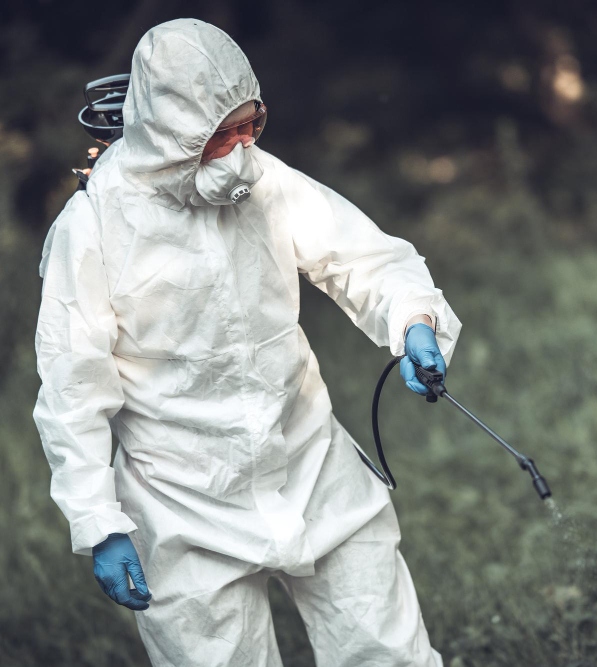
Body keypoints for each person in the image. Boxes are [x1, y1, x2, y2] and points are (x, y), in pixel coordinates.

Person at [33, 18, 461, 667]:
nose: (240, 151)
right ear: (173, 133)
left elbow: (362, 258)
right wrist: (98, 521)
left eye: (250, 127)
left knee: (387, 650)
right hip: (183, 506)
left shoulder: (266, 181)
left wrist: (413, 322)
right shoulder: (93, 227)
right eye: (221, 135)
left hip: (310, 467)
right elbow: (73, 385)